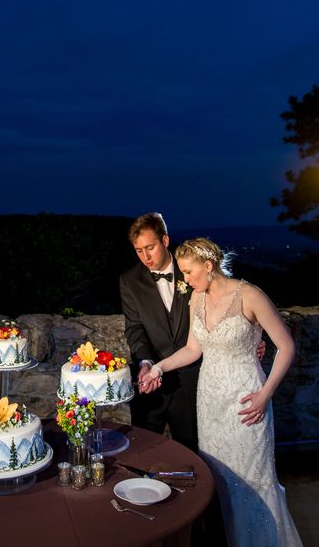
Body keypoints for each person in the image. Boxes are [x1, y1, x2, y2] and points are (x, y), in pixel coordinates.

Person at [142, 237, 303, 547]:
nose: (185, 280)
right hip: (210, 403)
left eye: (189, 272)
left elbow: (286, 347)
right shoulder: (196, 300)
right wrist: (159, 368)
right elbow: (192, 349)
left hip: (247, 401)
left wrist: (265, 395)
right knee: (219, 481)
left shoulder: (250, 295)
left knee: (255, 480)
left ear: (208, 266)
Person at [120, 212, 265, 452]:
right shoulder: (129, 280)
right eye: (138, 250)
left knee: (193, 453)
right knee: (142, 452)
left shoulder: (192, 267)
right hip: (150, 383)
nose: (145, 256)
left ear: (165, 241)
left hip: (193, 380)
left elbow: (228, 306)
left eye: (150, 247)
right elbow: (134, 328)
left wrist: (252, 339)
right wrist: (146, 361)